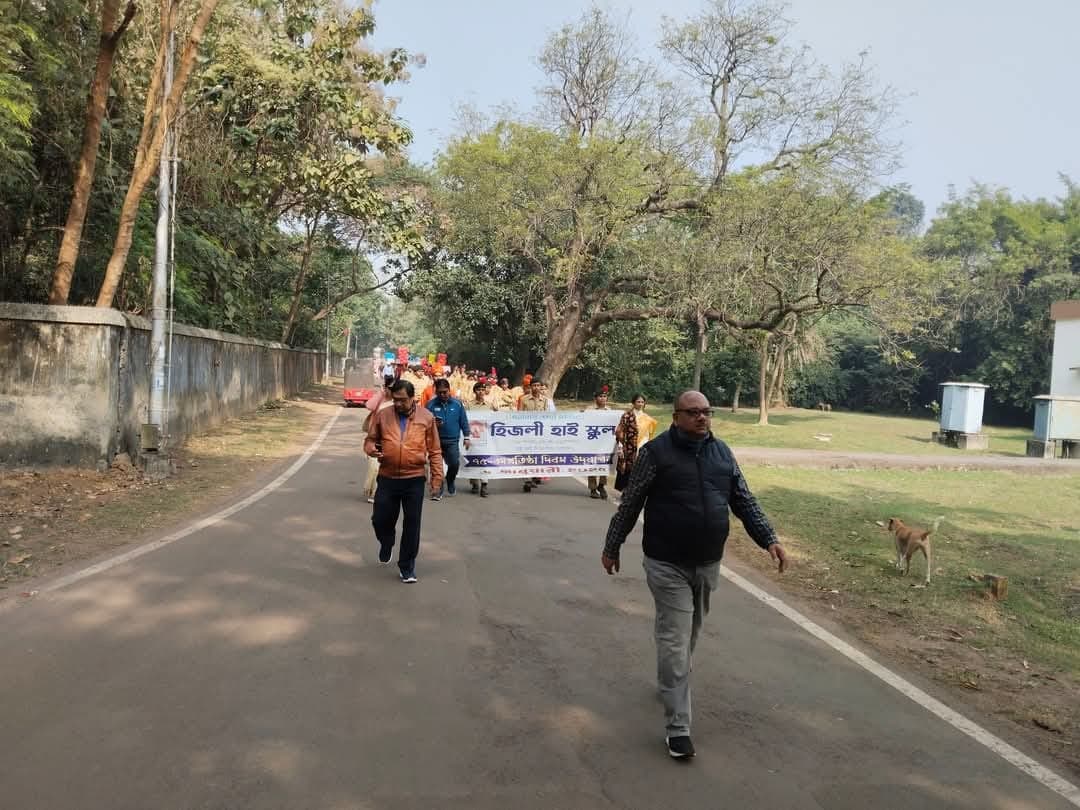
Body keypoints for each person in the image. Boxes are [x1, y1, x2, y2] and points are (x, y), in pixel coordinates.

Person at [601, 390, 787, 760]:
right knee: (675, 637)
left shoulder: (722, 454)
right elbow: (632, 501)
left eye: (706, 412)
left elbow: (744, 500)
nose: (702, 418)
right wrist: (612, 545)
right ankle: (678, 728)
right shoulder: (657, 454)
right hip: (666, 561)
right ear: (676, 417)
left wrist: (769, 539)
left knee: (688, 635)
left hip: (707, 561)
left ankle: (670, 682)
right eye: (693, 413)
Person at [364, 380, 443, 584]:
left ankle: (407, 567)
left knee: (412, 524)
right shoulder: (383, 415)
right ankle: (387, 541)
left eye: (402, 400)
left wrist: (437, 478)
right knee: (380, 519)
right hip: (388, 477)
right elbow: (370, 440)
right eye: (395, 400)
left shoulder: (426, 418)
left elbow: (434, 450)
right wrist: (371, 448)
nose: (398, 404)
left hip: (414, 478)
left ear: (412, 398)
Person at [426, 378, 470, 499]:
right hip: (435, 441)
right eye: (439, 392)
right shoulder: (430, 405)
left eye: (445, 392)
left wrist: (466, 436)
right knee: (436, 467)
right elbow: (424, 423)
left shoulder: (457, 404)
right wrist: (433, 424)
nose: (442, 395)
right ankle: (438, 490)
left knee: (454, 464)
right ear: (436, 392)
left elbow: (463, 421)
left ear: (449, 390)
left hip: (452, 441)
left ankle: (450, 481)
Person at [614, 393, 658, 492]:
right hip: (628, 447)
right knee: (626, 469)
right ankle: (624, 490)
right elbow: (620, 431)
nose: (640, 404)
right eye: (638, 401)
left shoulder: (647, 418)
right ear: (633, 402)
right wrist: (620, 446)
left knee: (638, 469)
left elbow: (648, 433)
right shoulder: (627, 416)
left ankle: (633, 491)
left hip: (641, 446)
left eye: (642, 402)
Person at [362, 376, 395, 503]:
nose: (393, 391)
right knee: (374, 468)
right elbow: (369, 405)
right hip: (375, 438)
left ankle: (379, 493)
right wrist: (381, 393)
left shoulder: (398, 402)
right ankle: (372, 492)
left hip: (390, 439)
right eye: (390, 388)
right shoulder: (381, 398)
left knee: (385, 468)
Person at [467, 381, 501, 498]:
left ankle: (484, 485)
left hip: (486, 438)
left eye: (483, 389)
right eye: (478, 390)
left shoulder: (489, 405)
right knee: (473, 460)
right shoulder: (469, 405)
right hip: (473, 437)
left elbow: (495, 420)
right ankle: (474, 482)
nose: (481, 392)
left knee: (485, 461)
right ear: (474, 391)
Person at [585, 386, 613, 500]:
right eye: (600, 396)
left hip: (605, 441)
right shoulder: (589, 410)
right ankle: (592, 488)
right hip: (593, 440)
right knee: (592, 463)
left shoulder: (610, 411)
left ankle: (601, 486)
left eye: (604, 396)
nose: (602, 398)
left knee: (604, 463)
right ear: (595, 398)